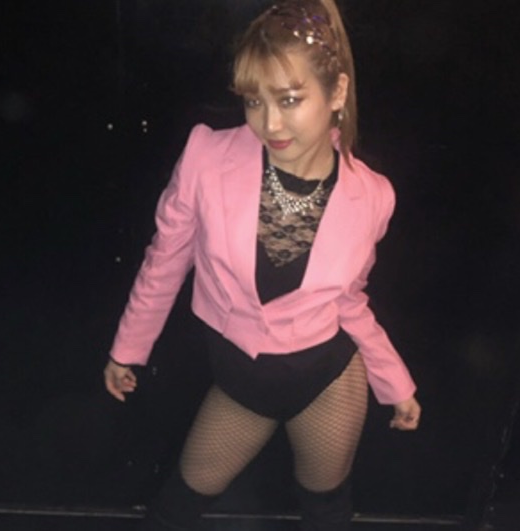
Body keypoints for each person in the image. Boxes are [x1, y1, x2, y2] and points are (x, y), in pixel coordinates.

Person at [104, 0, 422, 529]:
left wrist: (395, 381)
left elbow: (349, 299)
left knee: (327, 511)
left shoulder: (373, 196)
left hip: (327, 380)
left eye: (290, 99)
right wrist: (129, 348)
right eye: (255, 101)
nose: (269, 123)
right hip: (242, 384)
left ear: (336, 93)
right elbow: (165, 260)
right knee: (176, 508)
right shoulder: (207, 157)